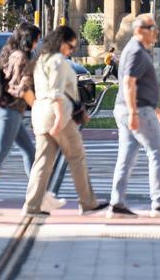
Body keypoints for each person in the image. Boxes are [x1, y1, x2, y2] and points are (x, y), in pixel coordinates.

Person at [0, 23, 64, 215]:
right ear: (29, 40)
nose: (37, 44)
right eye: (36, 40)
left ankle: (40, 195)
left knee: (30, 152)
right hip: (9, 112)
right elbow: (21, 88)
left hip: (7, 111)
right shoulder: (21, 57)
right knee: (0, 153)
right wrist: (39, 106)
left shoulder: (9, 54)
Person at [22, 25, 108, 217]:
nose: (71, 51)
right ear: (61, 43)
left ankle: (32, 204)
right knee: (77, 157)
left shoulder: (41, 60)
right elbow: (57, 92)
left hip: (40, 113)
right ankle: (88, 202)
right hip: (57, 115)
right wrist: (60, 117)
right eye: (70, 47)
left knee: (42, 162)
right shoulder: (58, 61)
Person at [108, 15, 160, 218]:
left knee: (126, 157)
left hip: (133, 108)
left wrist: (154, 105)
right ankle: (159, 203)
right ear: (140, 30)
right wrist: (134, 111)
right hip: (137, 111)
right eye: (153, 28)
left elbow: (138, 83)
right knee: (158, 153)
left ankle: (117, 203)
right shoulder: (136, 52)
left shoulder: (136, 50)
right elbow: (129, 83)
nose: (156, 32)